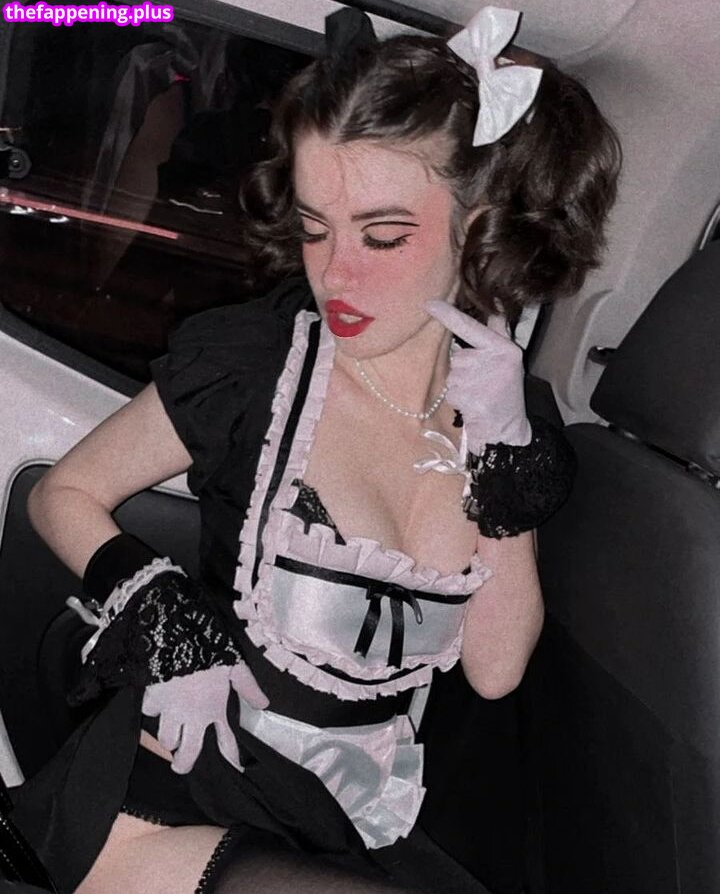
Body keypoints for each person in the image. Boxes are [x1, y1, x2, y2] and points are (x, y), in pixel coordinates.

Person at [11, 6, 621, 894]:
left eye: (383, 235)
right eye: (313, 226)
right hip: (172, 793)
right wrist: (163, 614)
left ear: (480, 226)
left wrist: (502, 453)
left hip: (347, 819)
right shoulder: (254, 364)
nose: (334, 273)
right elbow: (62, 492)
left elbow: (494, 672)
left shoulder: (510, 419)